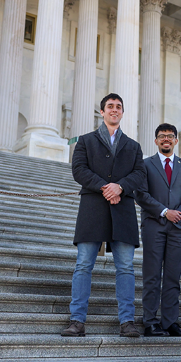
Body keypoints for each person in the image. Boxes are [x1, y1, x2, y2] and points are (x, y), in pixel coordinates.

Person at [62, 93, 146, 338]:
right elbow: (78, 169)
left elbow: (140, 173)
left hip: (123, 210)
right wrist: (105, 187)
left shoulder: (133, 146)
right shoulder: (86, 141)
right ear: (102, 112)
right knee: (83, 265)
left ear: (122, 113)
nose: (114, 110)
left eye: (119, 107)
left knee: (126, 268)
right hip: (93, 209)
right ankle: (77, 321)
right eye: (110, 106)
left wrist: (120, 186)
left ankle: (127, 322)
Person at [134, 123, 181, 337]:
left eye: (170, 136)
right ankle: (150, 321)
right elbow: (141, 194)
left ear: (176, 140)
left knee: (172, 276)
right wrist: (164, 212)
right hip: (154, 225)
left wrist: (177, 214)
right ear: (156, 141)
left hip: (179, 227)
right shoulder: (145, 165)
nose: (166, 139)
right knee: (152, 275)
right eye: (162, 136)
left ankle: (170, 321)